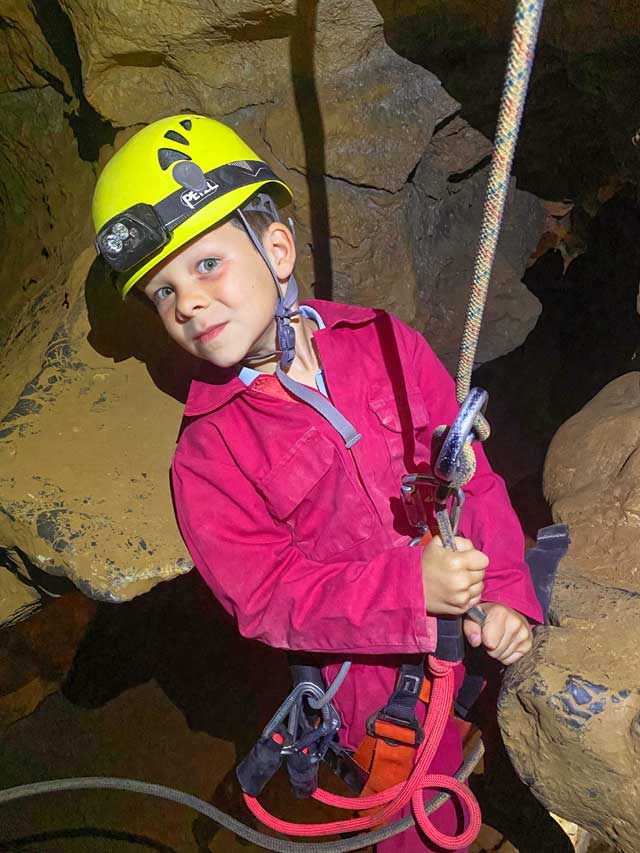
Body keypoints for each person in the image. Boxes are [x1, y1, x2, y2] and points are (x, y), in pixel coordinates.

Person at [92, 113, 543, 851]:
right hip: (375, 689)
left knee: (523, 740)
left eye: (206, 265)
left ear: (276, 249)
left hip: (474, 619)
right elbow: (271, 598)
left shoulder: (383, 341)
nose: (189, 303)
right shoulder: (208, 458)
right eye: (163, 293)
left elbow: (473, 481)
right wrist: (411, 590)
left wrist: (506, 596)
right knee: (419, 828)